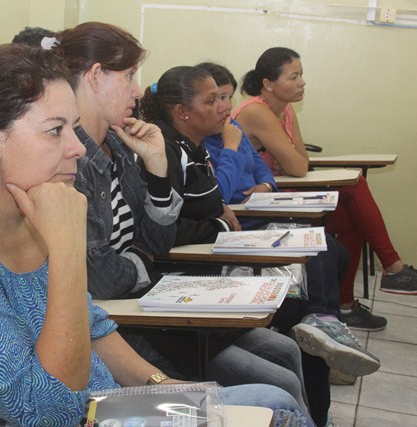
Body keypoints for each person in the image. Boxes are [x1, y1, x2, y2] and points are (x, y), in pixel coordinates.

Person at [0, 43, 313, 427]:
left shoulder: (28, 211)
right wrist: (68, 247)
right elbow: (47, 409)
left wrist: (160, 384)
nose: (76, 147)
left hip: (101, 408)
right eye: (55, 130)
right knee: (273, 406)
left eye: (73, 128)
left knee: (272, 401)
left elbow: (94, 328)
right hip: (71, 417)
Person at [50, 21, 314, 418]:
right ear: (95, 76)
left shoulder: (119, 147)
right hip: (124, 324)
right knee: (279, 393)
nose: (137, 91)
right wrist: (144, 262)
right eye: (128, 77)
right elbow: (103, 276)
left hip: (140, 307)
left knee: (283, 351)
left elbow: (156, 241)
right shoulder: (72, 162)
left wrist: (156, 169)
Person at [138, 64, 382, 426]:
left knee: (325, 259)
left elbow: (261, 173)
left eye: (226, 97)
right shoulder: (169, 151)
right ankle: (318, 325)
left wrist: (262, 186)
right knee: (287, 347)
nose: (225, 107)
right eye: (215, 99)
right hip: (185, 287)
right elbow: (176, 224)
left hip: (213, 261)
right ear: (182, 112)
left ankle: (320, 364)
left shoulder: (200, 144)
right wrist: (220, 215)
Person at [232, 48, 417, 328]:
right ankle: (393, 268)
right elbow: (297, 167)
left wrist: (291, 160)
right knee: (354, 188)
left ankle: (346, 305)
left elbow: (301, 160)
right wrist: (290, 161)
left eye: (301, 75)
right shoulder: (256, 110)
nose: (302, 82)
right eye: (293, 77)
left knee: (353, 215)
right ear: (268, 84)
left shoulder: (286, 110)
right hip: (258, 202)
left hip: (283, 195)